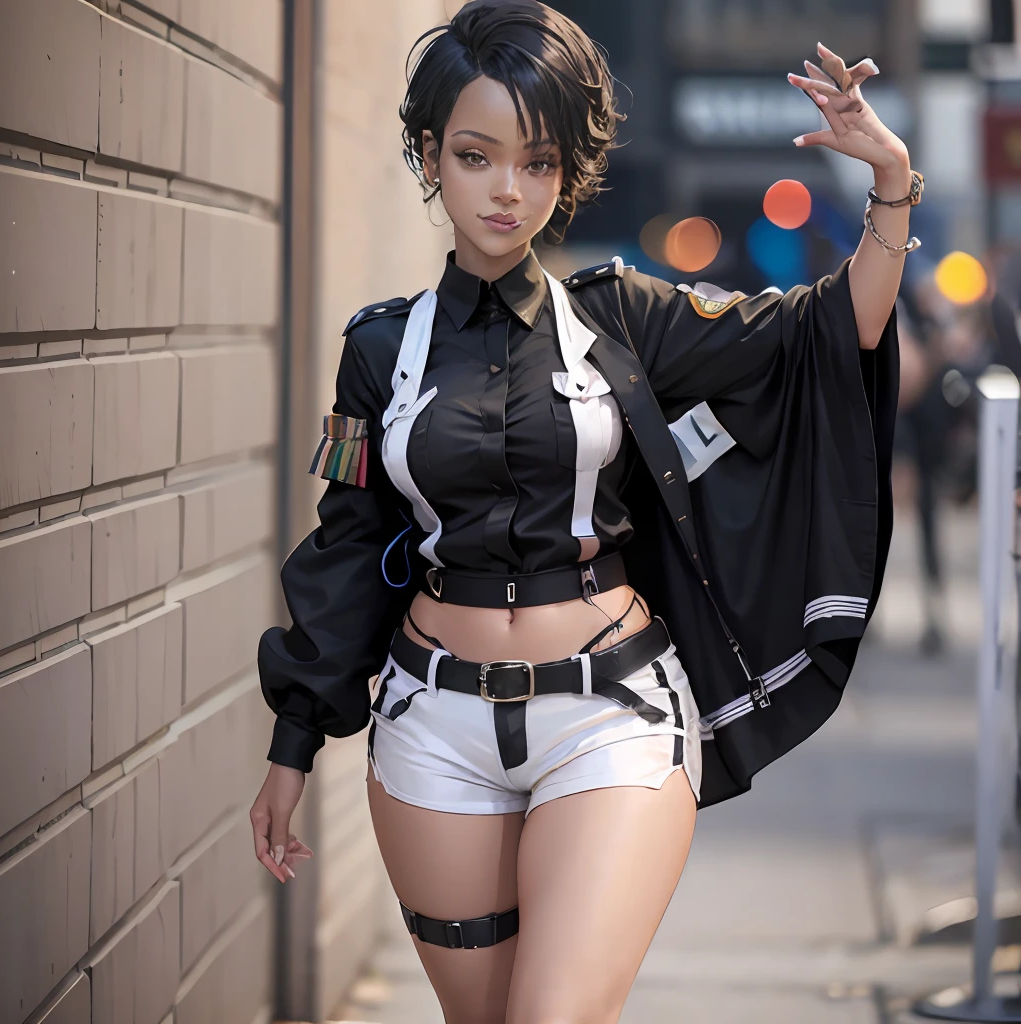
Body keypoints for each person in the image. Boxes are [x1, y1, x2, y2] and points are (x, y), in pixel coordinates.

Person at [250, 4, 910, 1021]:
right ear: (430, 155)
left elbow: (828, 330)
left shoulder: (622, 317)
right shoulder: (379, 350)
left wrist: (891, 186)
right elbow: (349, 545)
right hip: (432, 728)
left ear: (568, 171)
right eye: (476, 156)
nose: (506, 190)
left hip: (612, 716)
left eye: (538, 161)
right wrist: (292, 746)